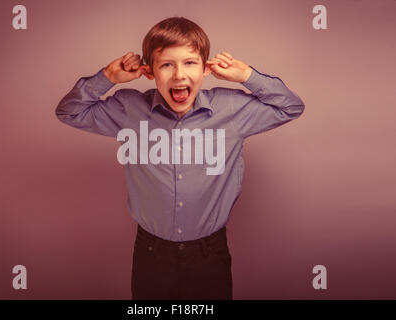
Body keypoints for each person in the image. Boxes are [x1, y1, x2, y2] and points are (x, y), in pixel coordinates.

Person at [55, 16, 305, 300]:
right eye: (166, 65)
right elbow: (69, 112)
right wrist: (107, 78)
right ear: (149, 73)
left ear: (205, 67)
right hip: (152, 254)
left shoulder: (231, 110)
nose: (178, 75)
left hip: (210, 253)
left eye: (189, 62)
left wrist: (247, 75)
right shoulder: (129, 110)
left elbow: (291, 107)